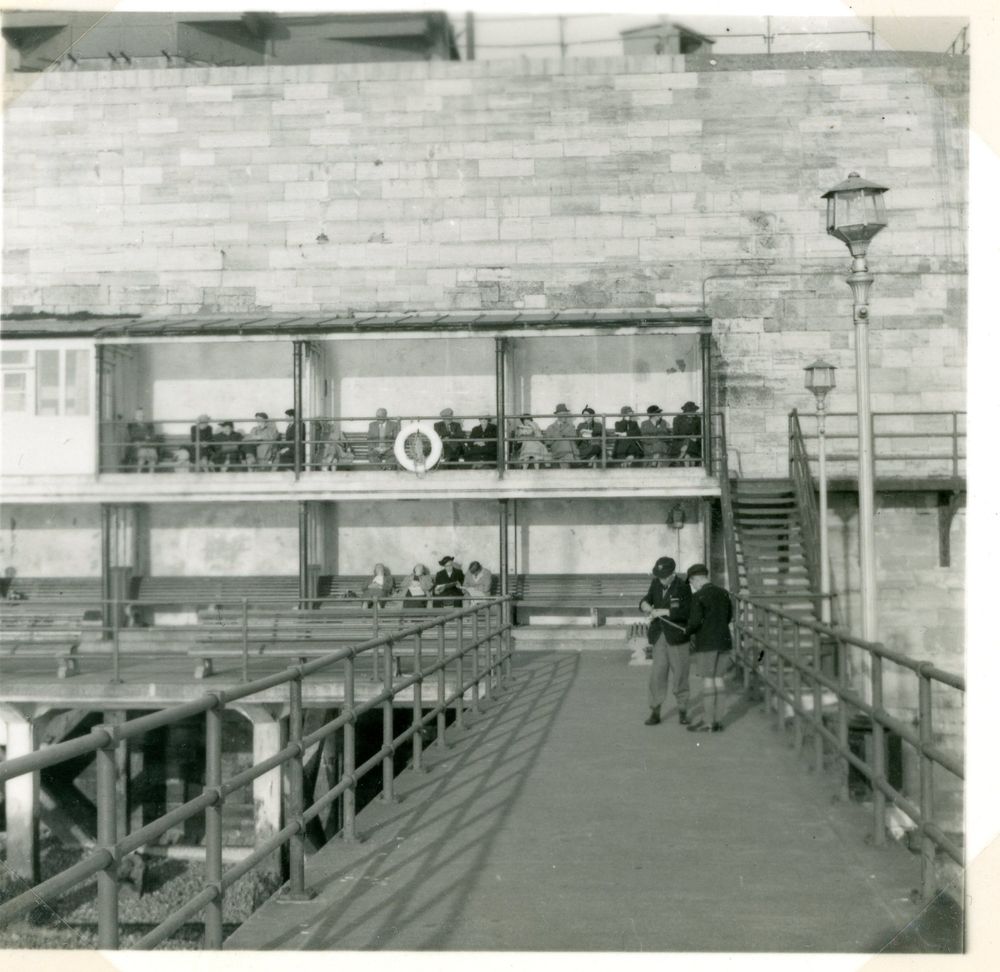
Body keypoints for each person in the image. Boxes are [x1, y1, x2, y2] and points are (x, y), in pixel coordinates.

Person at [639, 556, 692, 726]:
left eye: (664, 576)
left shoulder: (683, 587)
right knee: (657, 675)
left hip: (677, 637)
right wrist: (644, 605)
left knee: (680, 674)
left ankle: (683, 710)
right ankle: (655, 710)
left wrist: (663, 611)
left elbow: (685, 612)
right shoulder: (655, 583)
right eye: (659, 575)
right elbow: (646, 599)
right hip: (659, 636)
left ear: (672, 574)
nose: (661, 579)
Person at [683, 563, 734, 733]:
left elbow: (695, 622)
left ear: (696, 579)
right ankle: (718, 721)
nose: (693, 586)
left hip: (707, 643)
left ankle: (708, 722)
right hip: (724, 642)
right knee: (719, 679)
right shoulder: (724, 593)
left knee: (708, 681)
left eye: (692, 583)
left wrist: (687, 630)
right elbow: (729, 617)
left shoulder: (698, 596)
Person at [126, 408, 159, 472]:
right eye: (139, 414)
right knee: (142, 453)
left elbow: (153, 435)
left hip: (148, 443)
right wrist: (145, 437)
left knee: (152, 452)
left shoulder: (149, 424)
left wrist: (146, 437)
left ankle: (151, 473)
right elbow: (133, 435)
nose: (141, 415)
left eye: (142, 414)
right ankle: (138, 473)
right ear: (135, 416)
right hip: (138, 443)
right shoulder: (132, 424)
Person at [672, 401, 703, 466]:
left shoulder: (698, 420)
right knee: (689, 452)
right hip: (680, 443)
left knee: (688, 455)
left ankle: (680, 457)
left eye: (694, 410)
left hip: (694, 444)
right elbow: (675, 434)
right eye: (692, 411)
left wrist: (696, 439)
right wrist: (688, 437)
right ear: (686, 411)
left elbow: (701, 433)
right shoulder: (677, 419)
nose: (694, 412)